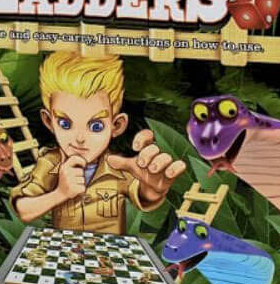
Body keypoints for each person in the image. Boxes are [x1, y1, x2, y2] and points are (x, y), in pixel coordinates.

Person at [10, 52, 186, 234]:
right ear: (49, 122)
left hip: (109, 249)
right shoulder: (50, 163)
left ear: (117, 126)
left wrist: (154, 187)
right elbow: (23, 209)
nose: (79, 138)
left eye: (96, 126)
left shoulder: (117, 166)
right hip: (66, 248)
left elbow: (145, 195)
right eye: (65, 124)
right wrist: (60, 193)